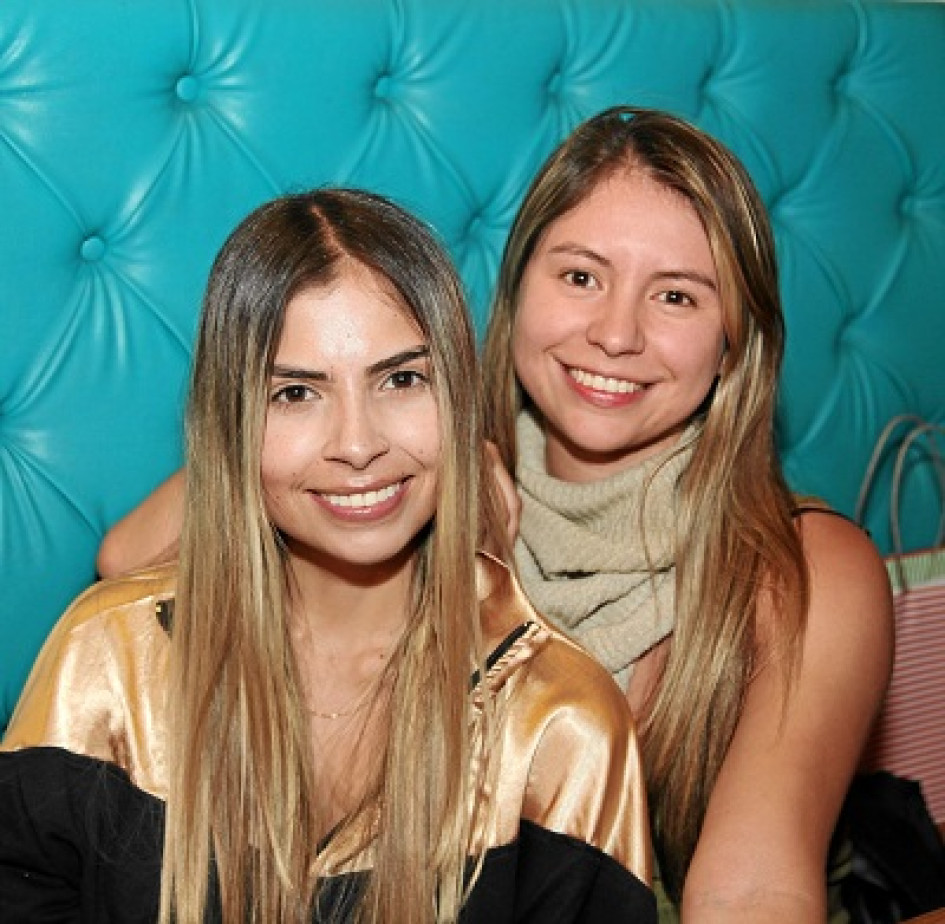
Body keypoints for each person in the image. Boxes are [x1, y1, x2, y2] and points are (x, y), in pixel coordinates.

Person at [90, 110, 894, 921]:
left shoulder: (808, 568)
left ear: (733, 341)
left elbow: (749, 892)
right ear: (514, 290)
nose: (615, 333)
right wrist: (430, 444)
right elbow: (129, 560)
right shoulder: (418, 483)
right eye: (579, 277)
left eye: (677, 296)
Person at [0, 189, 655, 922]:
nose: (356, 443)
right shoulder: (108, 663)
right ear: (232, 423)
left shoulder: (561, 720)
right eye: (295, 393)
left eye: (401, 380)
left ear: (462, 405)